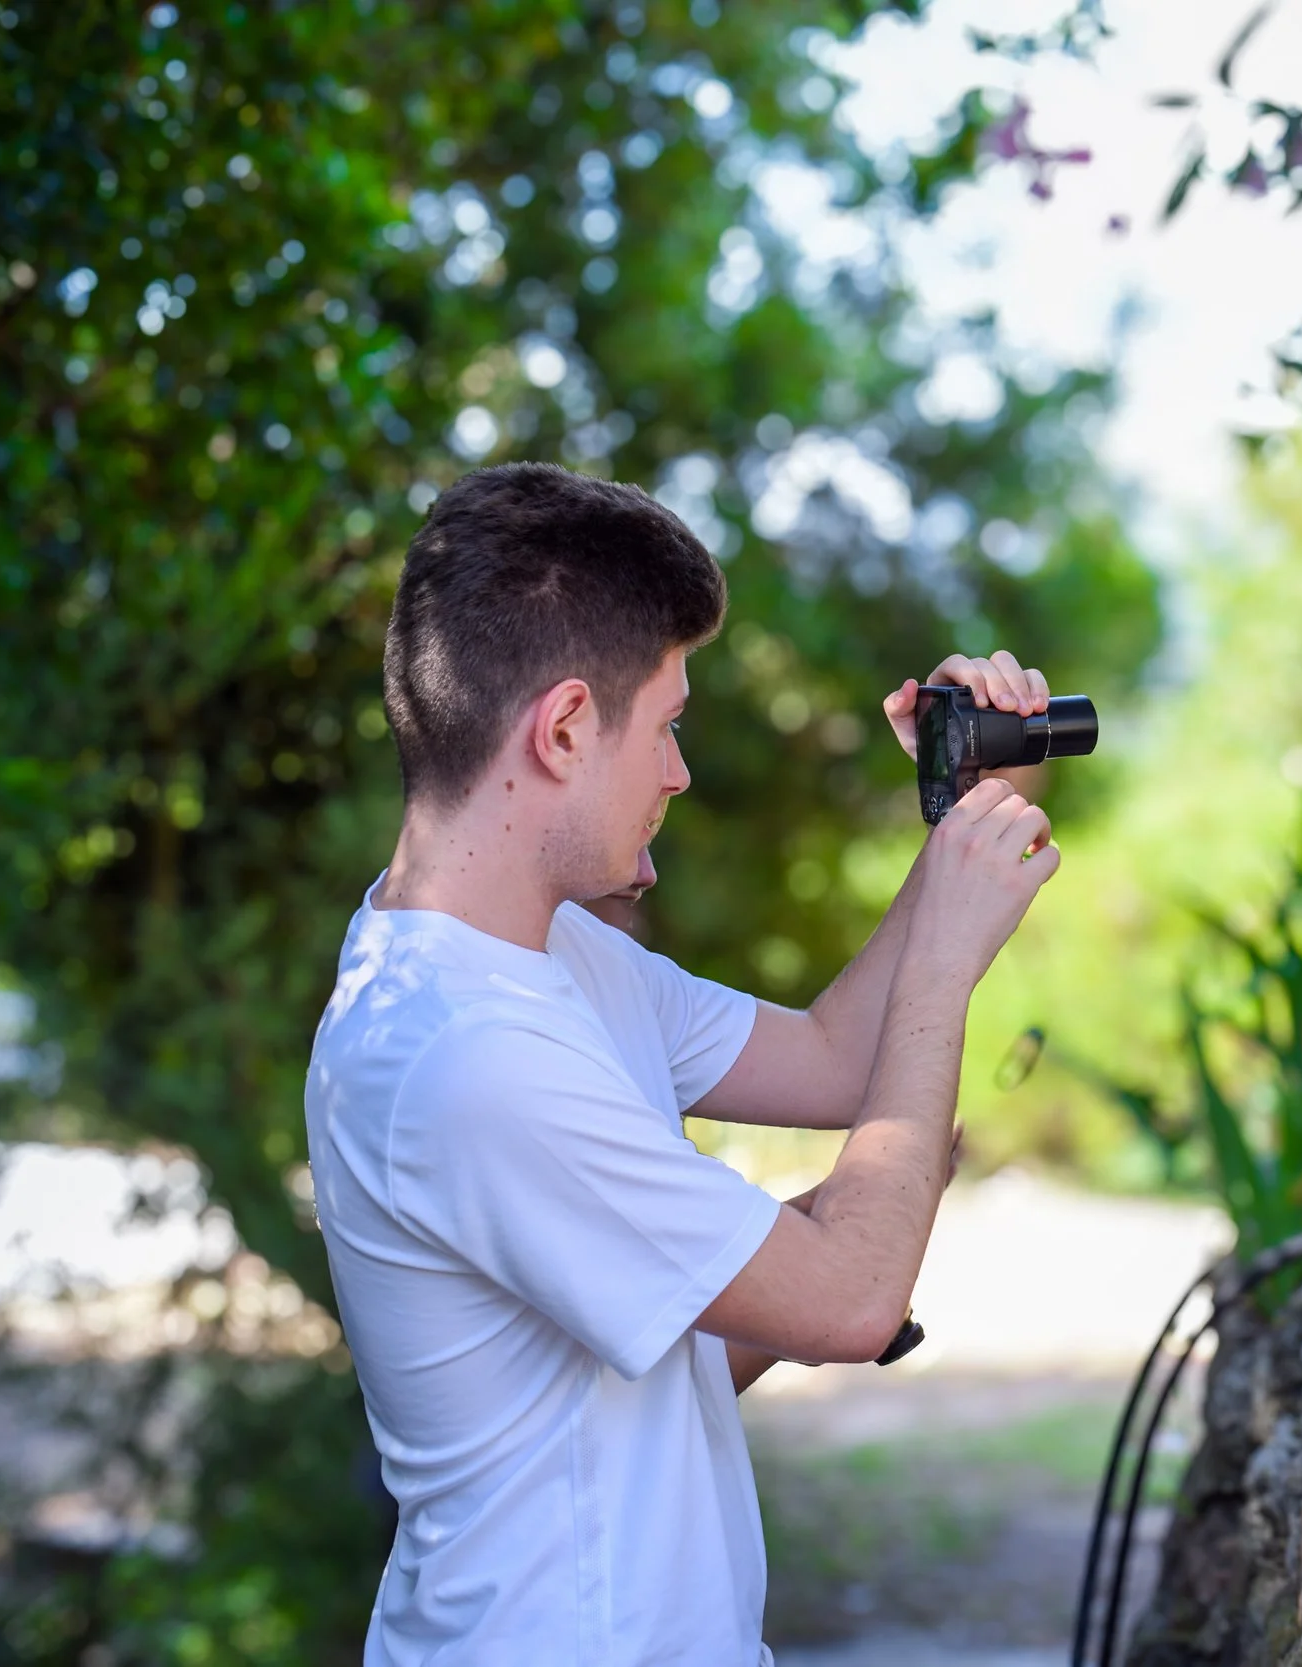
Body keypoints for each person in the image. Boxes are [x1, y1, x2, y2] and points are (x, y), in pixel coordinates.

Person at [304, 461, 1061, 1666]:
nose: (678, 771)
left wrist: (967, 812)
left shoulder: (547, 957)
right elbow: (852, 1304)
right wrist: (940, 980)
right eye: (666, 726)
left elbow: (830, 1059)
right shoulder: (462, 1049)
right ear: (561, 728)